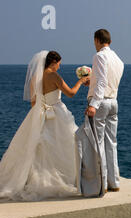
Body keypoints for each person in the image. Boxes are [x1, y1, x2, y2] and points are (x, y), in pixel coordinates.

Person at [0, 51, 89, 201]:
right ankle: (71, 178)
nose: (60, 67)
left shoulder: (35, 78)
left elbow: (33, 103)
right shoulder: (54, 76)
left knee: (36, 148)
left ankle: (29, 180)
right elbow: (71, 93)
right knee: (64, 145)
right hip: (57, 114)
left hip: (39, 114)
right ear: (53, 62)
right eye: (59, 63)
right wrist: (81, 82)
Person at [85, 29, 124, 193]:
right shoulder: (118, 60)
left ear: (97, 40)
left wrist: (94, 104)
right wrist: (91, 82)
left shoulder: (99, 56)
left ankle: (102, 184)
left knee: (98, 142)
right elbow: (106, 81)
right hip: (113, 101)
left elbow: (101, 82)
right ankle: (114, 182)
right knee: (111, 143)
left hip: (101, 103)